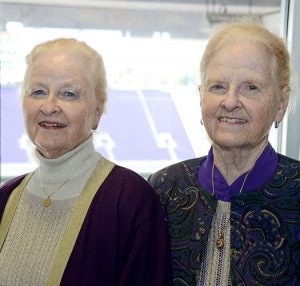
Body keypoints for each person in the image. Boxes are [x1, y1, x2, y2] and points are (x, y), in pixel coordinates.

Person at [0, 38, 172, 285]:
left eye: (69, 94)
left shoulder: (131, 200)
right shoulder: (5, 198)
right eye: (38, 91)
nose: (49, 106)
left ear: (97, 111)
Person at [149, 20, 300, 286]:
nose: (230, 102)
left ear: (281, 104)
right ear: (201, 97)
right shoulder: (162, 191)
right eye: (218, 86)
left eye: (251, 87)